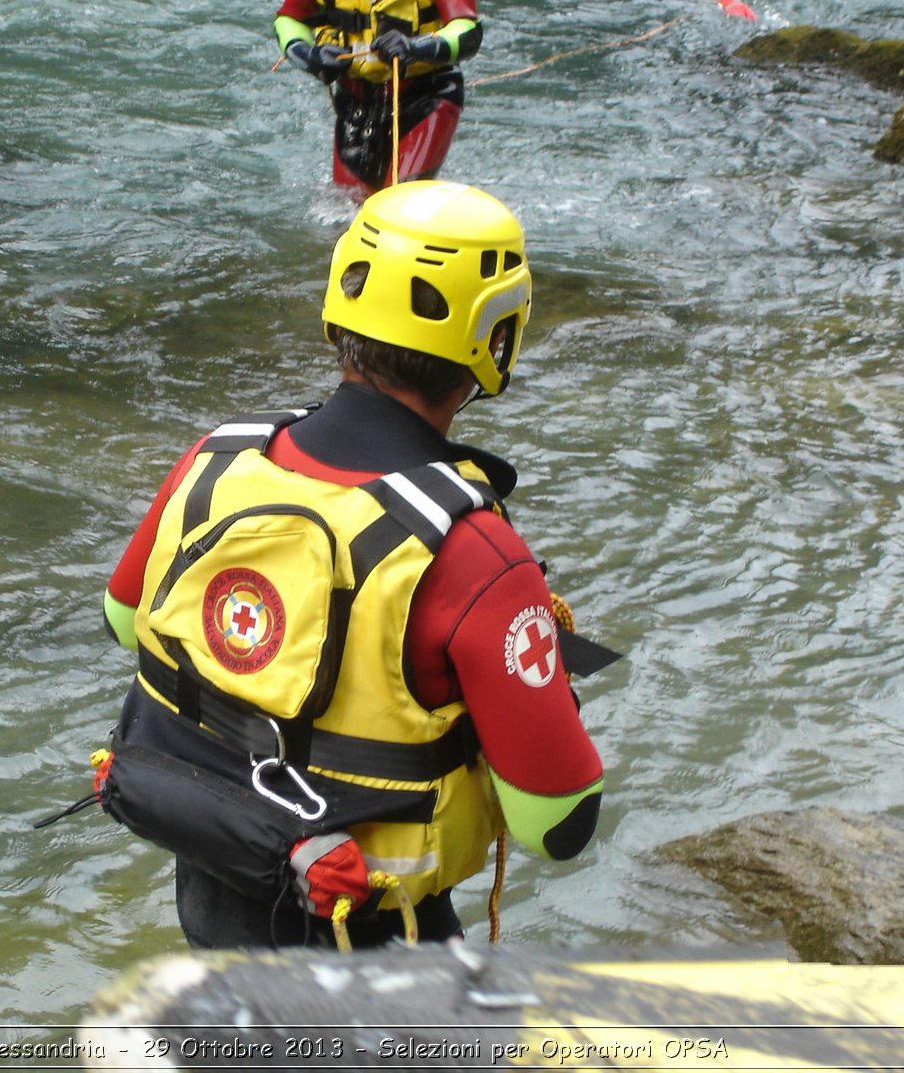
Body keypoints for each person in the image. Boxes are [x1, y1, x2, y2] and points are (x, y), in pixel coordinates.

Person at [97, 181, 604, 949]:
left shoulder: (216, 459)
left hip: (215, 898)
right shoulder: (476, 553)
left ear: (341, 303)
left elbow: (125, 621)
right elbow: (559, 824)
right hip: (370, 951)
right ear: (495, 335)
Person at [275, 0, 483, 195]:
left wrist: (417, 48)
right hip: (355, 103)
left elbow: (468, 31)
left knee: (400, 200)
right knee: (348, 212)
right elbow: (289, 19)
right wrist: (309, 55)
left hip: (426, 97)